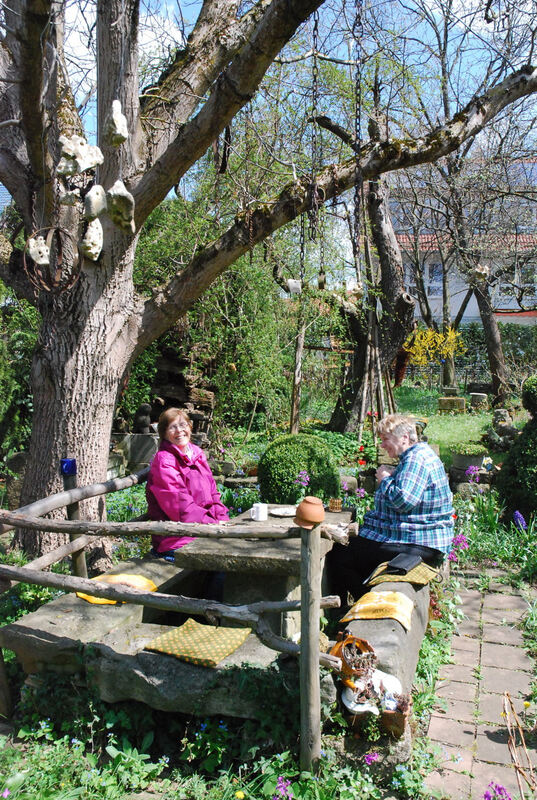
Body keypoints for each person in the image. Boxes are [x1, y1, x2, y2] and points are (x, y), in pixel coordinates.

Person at [328, 413, 454, 607]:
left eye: (386, 439)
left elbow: (403, 501)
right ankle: (359, 603)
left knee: (339, 553)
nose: (383, 445)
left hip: (419, 544)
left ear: (404, 437)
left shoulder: (416, 460)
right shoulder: (416, 456)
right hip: (417, 538)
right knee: (351, 546)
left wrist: (385, 479)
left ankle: (367, 606)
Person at [146, 408, 229, 560]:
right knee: (223, 559)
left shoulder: (196, 453)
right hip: (176, 538)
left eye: (183, 425)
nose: (179, 431)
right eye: (173, 427)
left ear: (190, 427)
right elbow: (181, 508)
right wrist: (213, 524)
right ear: (164, 434)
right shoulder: (164, 461)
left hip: (203, 529)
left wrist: (222, 518)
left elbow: (213, 493)